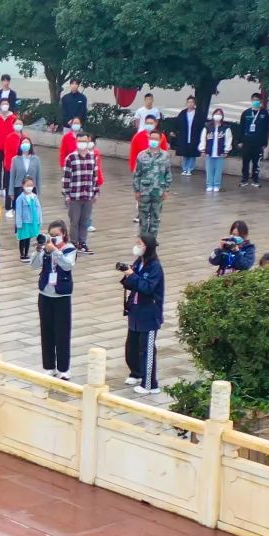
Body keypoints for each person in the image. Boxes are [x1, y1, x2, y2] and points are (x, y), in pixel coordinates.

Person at [30, 219, 76, 379]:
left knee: (62, 332)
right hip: (45, 294)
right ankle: (49, 366)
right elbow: (33, 265)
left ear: (64, 234)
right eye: (51, 235)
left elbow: (68, 265)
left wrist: (56, 251)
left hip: (62, 295)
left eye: (56, 235)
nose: (53, 238)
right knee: (46, 331)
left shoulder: (69, 248)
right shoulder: (46, 248)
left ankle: (64, 368)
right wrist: (39, 250)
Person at [121, 234, 164, 395]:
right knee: (132, 346)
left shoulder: (155, 267)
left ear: (147, 247)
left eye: (140, 244)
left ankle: (150, 384)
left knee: (147, 349)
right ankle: (136, 373)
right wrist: (127, 274)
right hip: (135, 310)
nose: (137, 246)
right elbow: (131, 283)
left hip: (149, 314)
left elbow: (147, 287)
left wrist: (132, 275)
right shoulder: (139, 262)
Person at [62, 132, 98, 254]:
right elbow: (66, 178)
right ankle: (73, 243)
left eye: (84, 141)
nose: (82, 143)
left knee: (85, 221)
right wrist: (67, 194)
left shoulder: (92, 157)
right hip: (74, 195)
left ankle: (83, 242)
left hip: (88, 195)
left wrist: (96, 192)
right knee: (74, 221)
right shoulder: (70, 158)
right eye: (80, 141)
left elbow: (94, 177)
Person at [132, 130, 172, 237]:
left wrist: (166, 190)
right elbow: (137, 174)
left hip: (158, 191)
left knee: (155, 218)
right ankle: (143, 241)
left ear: (160, 140)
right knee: (143, 219)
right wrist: (136, 190)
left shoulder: (165, 156)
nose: (153, 141)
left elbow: (168, 173)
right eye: (151, 138)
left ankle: (152, 241)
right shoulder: (142, 155)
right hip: (144, 191)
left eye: (156, 139)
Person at [238, 94, 269, 188]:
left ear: (260, 101)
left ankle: (255, 180)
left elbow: (266, 129)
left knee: (256, 162)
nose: (256, 101)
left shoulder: (264, 113)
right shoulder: (246, 113)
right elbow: (241, 127)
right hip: (247, 142)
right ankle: (244, 179)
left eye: (258, 100)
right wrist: (240, 141)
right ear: (251, 100)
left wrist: (265, 143)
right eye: (254, 100)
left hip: (258, 143)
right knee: (245, 161)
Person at [198, 109, 233, 193]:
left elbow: (228, 139)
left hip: (220, 152)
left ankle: (217, 185)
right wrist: (202, 150)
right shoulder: (207, 126)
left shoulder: (225, 127)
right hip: (209, 152)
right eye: (216, 113)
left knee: (218, 170)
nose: (218, 115)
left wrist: (226, 151)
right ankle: (209, 185)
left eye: (219, 113)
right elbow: (203, 138)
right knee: (209, 170)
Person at [173, 96, 204, 176]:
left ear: (194, 104)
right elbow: (177, 123)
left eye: (192, 102)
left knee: (192, 153)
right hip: (184, 136)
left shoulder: (198, 113)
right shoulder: (183, 113)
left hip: (194, 136)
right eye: (189, 102)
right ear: (187, 103)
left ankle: (190, 169)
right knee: (185, 153)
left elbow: (201, 125)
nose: (190, 104)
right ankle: (184, 169)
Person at [14, 176, 42, 262]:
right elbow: (18, 212)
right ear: (23, 186)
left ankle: (26, 253)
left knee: (28, 238)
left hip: (32, 221)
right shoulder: (20, 198)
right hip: (24, 222)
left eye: (31, 185)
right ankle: (22, 254)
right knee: (23, 238)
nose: (29, 187)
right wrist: (18, 223)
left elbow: (38, 209)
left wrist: (39, 220)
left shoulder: (34, 197)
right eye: (27, 185)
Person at [9, 136, 41, 204]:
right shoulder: (15, 159)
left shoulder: (36, 159)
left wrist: (39, 192)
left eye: (27, 143)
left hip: (31, 189)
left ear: (30, 145)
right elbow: (12, 177)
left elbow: (38, 177)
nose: (25, 144)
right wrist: (11, 192)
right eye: (23, 143)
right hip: (18, 188)